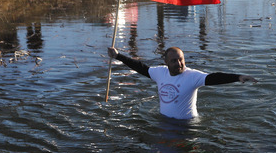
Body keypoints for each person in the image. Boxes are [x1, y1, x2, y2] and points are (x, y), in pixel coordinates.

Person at [108, 46, 257, 119]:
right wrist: (118, 56)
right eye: (174, 61)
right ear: (166, 62)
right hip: (165, 123)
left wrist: (237, 77)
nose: (179, 64)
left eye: (181, 60)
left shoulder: (191, 76)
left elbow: (214, 78)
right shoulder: (160, 72)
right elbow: (141, 67)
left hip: (187, 126)